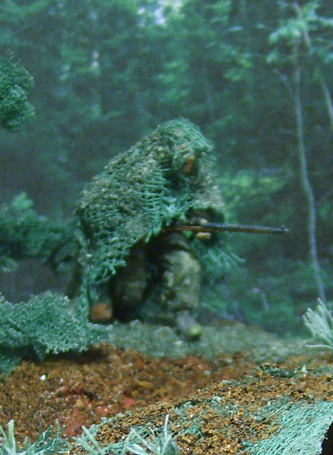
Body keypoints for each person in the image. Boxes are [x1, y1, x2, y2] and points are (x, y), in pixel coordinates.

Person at [74, 119, 228, 339]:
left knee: (186, 264)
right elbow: (111, 212)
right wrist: (141, 228)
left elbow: (199, 199)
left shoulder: (192, 174)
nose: (189, 165)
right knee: (131, 288)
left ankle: (181, 313)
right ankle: (120, 316)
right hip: (129, 236)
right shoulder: (140, 172)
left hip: (168, 231)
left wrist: (201, 222)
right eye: (184, 158)